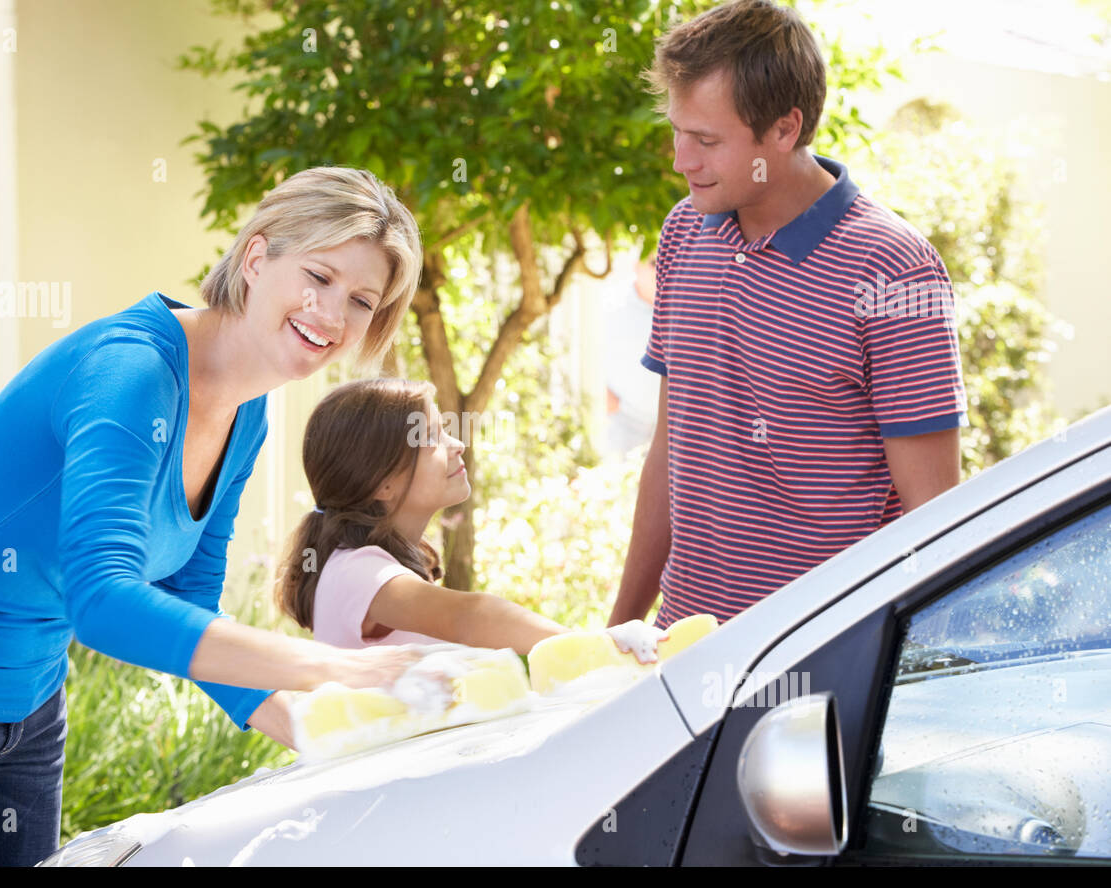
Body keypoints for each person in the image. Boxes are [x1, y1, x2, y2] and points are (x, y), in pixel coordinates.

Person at [0, 166, 438, 867]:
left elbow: (188, 599)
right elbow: (102, 602)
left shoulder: (247, 409)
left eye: (360, 299)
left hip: (29, 706)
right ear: (257, 259)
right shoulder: (132, 372)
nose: (331, 313)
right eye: (318, 276)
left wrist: (315, 732)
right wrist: (328, 667)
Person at [609, 0, 968, 631]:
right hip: (682, 649)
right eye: (677, 131)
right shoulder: (684, 231)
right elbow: (671, 449)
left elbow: (933, 516)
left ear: (783, 129)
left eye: (707, 140)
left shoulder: (895, 268)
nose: (680, 160)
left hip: (823, 665)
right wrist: (619, 632)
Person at [274, 378, 571, 655]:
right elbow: (468, 618)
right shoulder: (357, 572)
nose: (457, 445)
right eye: (430, 438)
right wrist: (589, 648)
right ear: (382, 482)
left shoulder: (373, 565)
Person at [603, 254, 661, 457]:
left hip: (669, 428)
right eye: (654, 263)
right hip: (624, 424)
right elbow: (581, 351)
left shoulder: (683, 306)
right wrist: (600, 392)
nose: (661, 269)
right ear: (636, 266)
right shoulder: (610, 305)